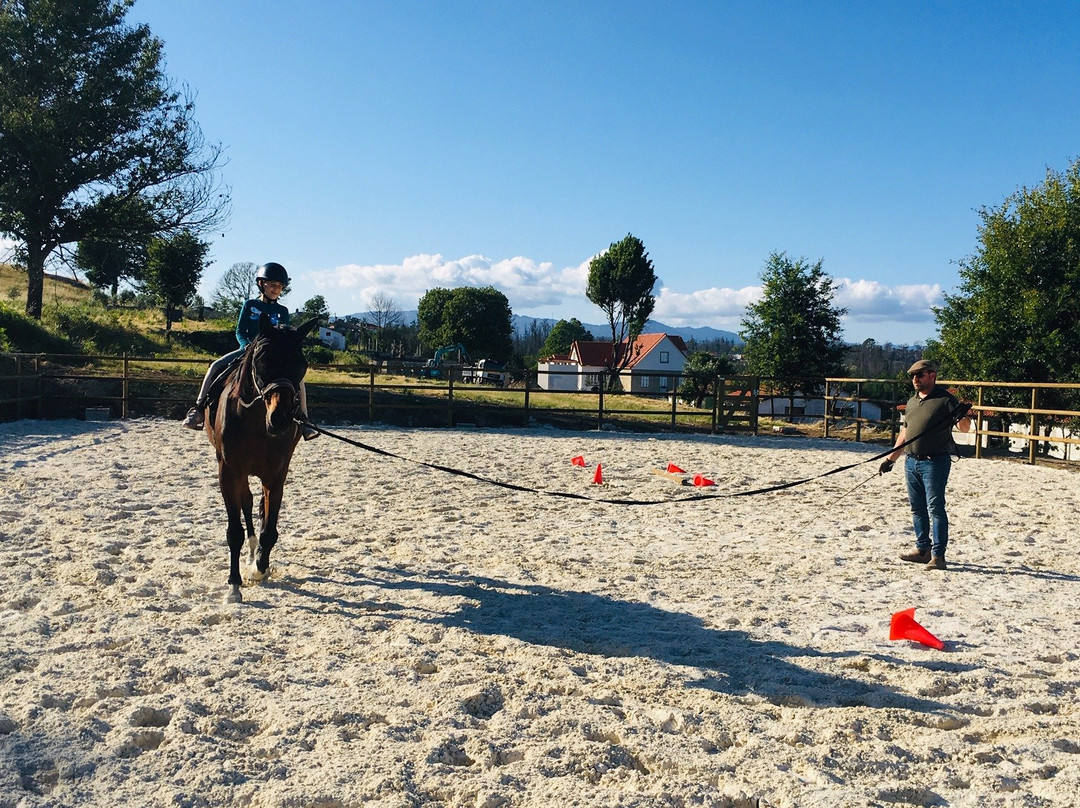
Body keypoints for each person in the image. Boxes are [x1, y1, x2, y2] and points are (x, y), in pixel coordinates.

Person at [181, 262, 318, 440]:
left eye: (280, 287)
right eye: (273, 285)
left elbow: (284, 335)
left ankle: (304, 419)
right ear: (261, 284)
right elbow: (240, 331)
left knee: (299, 382)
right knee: (215, 367)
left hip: (270, 356)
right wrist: (246, 344)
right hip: (246, 351)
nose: (276, 289)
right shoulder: (249, 304)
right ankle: (198, 409)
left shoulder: (282, 311)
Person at [879, 359, 972, 570]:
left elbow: (964, 428)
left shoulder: (946, 400)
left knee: (935, 508)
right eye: (913, 376)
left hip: (935, 462)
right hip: (911, 461)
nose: (915, 379)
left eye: (920, 375)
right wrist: (890, 459)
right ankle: (922, 549)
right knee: (917, 508)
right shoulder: (912, 401)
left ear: (932, 375)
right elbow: (906, 432)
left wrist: (963, 416)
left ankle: (938, 556)